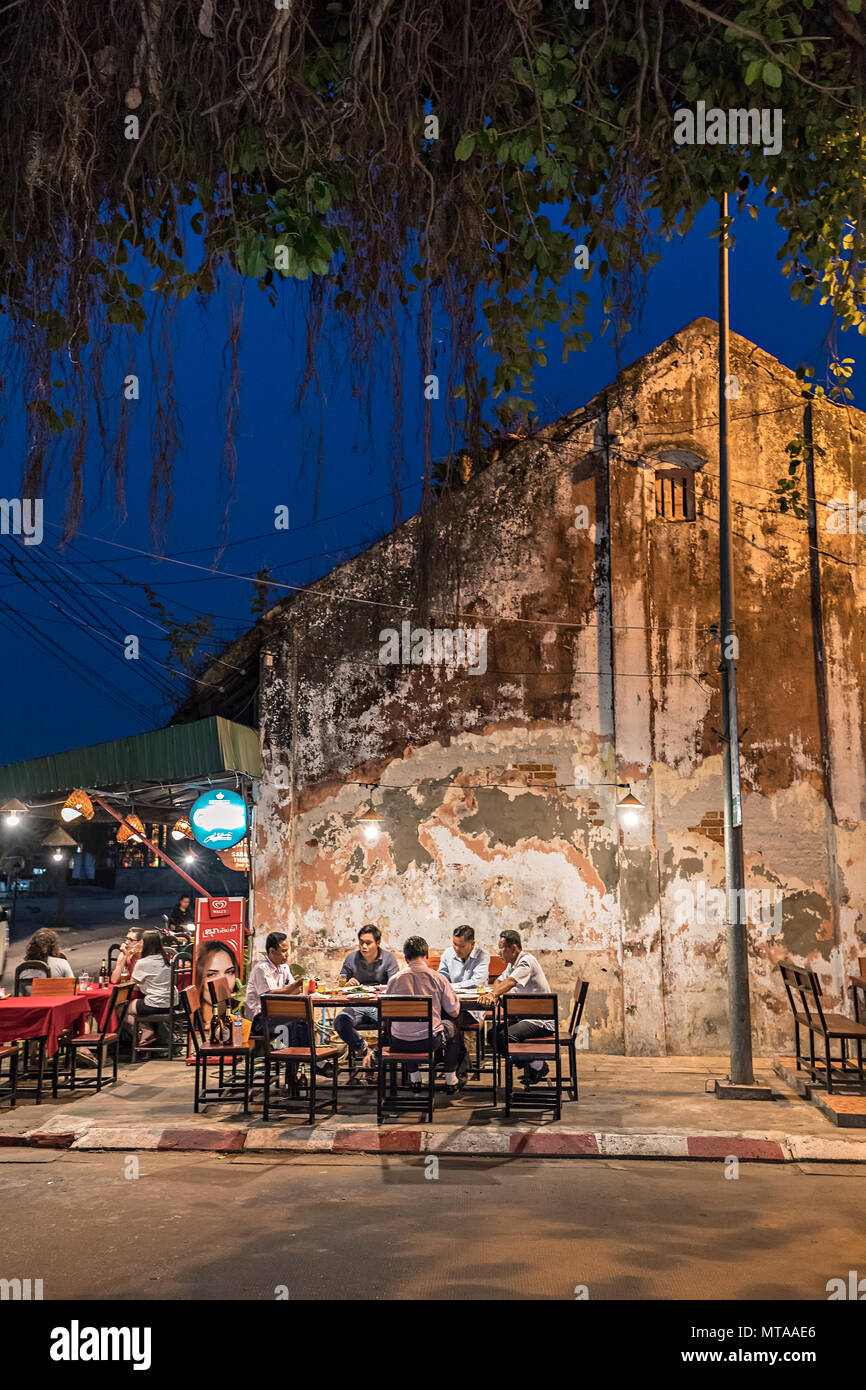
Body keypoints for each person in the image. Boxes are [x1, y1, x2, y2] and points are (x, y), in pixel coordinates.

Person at [244, 932, 340, 1076]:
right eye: (283, 951)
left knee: (302, 1021)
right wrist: (297, 984)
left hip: (276, 1015)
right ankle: (310, 1065)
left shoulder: (284, 968)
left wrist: (307, 988)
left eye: (287, 950)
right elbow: (269, 995)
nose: (287, 954)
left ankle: (300, 1072)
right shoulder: (261, 969)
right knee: (296, 1023)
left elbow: (293, 991)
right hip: (259, 1020)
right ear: (271, 951)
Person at [384, 935, 463, 1094]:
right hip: (429, 1042)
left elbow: (386, 1011)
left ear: (406, 958)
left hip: (398, 1042)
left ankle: (414, 1077)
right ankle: (450, 1078)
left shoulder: (394, 980)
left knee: (407, 1027)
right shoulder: (438, 978)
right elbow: (453, 1011)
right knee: (452, 1026)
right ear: (427, 954)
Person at [488, 929, 556, 1085]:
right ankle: (531, 1064)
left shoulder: (526, 962)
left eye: (501, 947)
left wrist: (493, 995)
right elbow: (500, 981)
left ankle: (537, 1065)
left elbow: (510, 982)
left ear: (514, 948)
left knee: (505, 1037)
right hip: (527, 1016)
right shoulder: (513, 964)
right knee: (492, 1035)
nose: (499, 952)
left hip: (541, 1020)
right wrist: (498, 990)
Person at [334, 925, 399, 1077]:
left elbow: (394, 985)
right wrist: (347, 982)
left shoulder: (388, 959)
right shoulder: (352, 958)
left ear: (378, 943)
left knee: (394, 1025)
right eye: (361, 942)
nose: (364, 946)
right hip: (357, 1005)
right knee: (340, 1022)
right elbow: (340, 981)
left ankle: (374, 1057)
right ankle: (364, 1049)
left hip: (380, 1006)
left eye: (368, 943)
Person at [438, 924, 491, 1076]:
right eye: (454, 944)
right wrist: (447, 985)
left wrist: (451, 987)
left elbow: (476, 981)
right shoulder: (448, 954)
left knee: (448, 1020)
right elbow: (441, 976)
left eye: (461, 945)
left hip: (473, 1008)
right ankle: (458, 1063)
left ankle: (454, 1064)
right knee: (444, 1018)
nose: (456, 949)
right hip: (451, 1005)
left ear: (472, 944)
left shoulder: (482, 955)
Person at [126, 930, 172, 1048]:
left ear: (146, 944)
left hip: (156, 1003)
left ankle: (145, 1031)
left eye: (141, 941)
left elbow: (131, 986)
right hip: (172, 1002)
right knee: (138, 1005)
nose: (139, 944)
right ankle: (147, 1034)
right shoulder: (165, 958)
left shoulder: (143, 962)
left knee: (121, 1008)